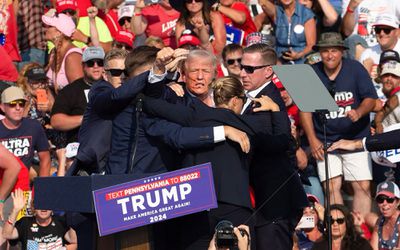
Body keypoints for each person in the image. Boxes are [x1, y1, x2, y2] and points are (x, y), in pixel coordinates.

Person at [299, 32, 378, 217]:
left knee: (362, 185)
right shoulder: (312, 71)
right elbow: (305, 110)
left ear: (342, 51)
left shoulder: (356, 68)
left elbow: (371, 99)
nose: (329, 55)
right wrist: (312, 140)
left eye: (334, 50)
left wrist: (359, 112)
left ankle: (358, 233)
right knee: (331, 186)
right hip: (326, 138)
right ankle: (339, 231)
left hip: (356, 138)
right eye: (325, 51)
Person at [239, 43, 308, 250]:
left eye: (249, 69)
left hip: (272, 202)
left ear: (268, 71)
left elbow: (277, 142)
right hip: (264, 201)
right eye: (242, 67)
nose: (242, 73)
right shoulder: (254, 96)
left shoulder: (268, 100)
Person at [50, 47, 105, 148]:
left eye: (100, 63)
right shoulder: (71, 90)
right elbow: (56, 121)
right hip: (80, 146)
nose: (96, 67)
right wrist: (85, 118)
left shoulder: (112, 87)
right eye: (91, 63)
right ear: (83, 66)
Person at [0, 87, 51, 178]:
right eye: (12, 104)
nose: (18, 108)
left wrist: (42, 188)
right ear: (2, 107)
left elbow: (45, 158)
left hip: (24, 184)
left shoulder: (33, 126)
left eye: (21, 103)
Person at [2, 189, 77, 250]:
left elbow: (73, 240)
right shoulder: (25, 222)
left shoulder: (60, 222)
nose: (43, 208)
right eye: (39, 204)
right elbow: (6, 234)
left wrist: (64, 249)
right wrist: (15, 210)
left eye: (47, 204)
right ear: (33, 206)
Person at [42, 9, 84, 91]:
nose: (44, 28)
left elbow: (79, 92)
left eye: (49, 26)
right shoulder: (53, 53)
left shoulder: (73, 57)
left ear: (59, 32)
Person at [369, 181, 400, 250]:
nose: (384, 203)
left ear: (398, 202)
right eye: (380, 200)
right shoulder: (380, 221)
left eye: (390, 200)